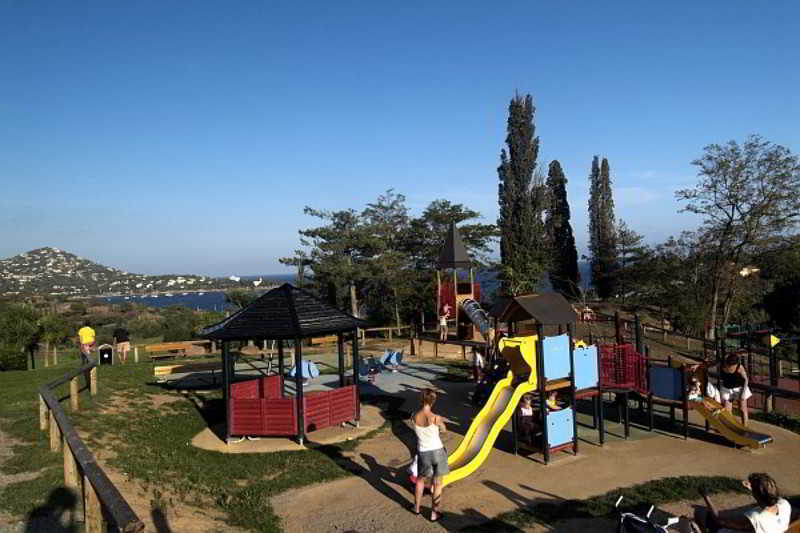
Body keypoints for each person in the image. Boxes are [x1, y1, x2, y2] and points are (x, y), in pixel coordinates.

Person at [685, 473, 791, 532]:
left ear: (757, 495)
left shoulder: (755, 517)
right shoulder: (785, 504)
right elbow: (768, 497)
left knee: (699, 512)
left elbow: (718, 519)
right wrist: (753, 489)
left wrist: (705, 496)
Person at [412, 389, 448, 522]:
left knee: (420, 480)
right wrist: (440, 425)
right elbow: (444, 431)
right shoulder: (435, 418)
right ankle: (434, 513)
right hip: (438, 451)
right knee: (437, 483)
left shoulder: (413, 416)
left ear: (421, 399)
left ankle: (416, 508)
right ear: (433, 401)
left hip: (423, 451)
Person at [720, 353, 752, 426]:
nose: (731, 367)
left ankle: (745, 427)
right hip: (727, 389)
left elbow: (746, 380)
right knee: (727, 410)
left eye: (733, 365)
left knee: (742, 409)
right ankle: (731, 426)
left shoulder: (740, 368)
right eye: (730, 365)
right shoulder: (723, 363)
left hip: (739, 388)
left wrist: (743, 393)